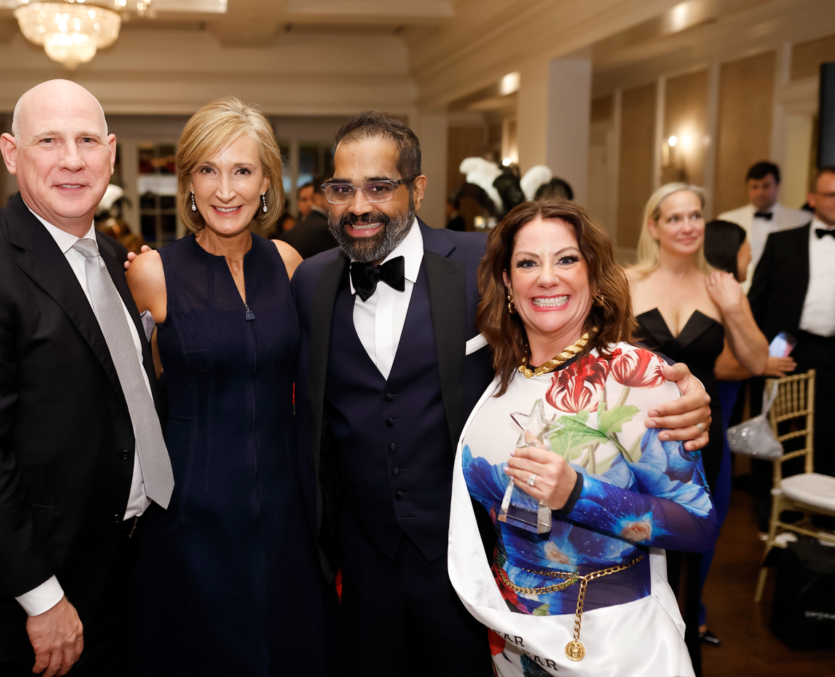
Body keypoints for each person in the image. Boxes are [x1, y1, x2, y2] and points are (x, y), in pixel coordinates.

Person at [289, 111, 713, 676]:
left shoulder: (484, 262)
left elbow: (577, 338)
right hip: (366, 564)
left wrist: (677, 387)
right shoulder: (312, 283)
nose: (359, 205)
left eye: (379, 186)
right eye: (342, 189)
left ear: (416, 190)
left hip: (481, 569)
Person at [0, 79, 174, 677]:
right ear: (11, 152)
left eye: (85, 141)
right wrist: (41, 595)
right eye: (49, 140)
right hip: (41, 593)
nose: (72, 160)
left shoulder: (110, 259)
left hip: (126, 564)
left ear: (110, 151)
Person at [447, 198, 718, 677]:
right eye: (527, 263)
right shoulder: (498, 373)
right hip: (511, 640)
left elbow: (698, 526)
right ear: (508, 283)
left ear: (593, 272)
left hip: (608, 645)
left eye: (566, 259)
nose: (546, 277)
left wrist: (579, 494)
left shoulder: (634, 376)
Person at [125, 97, 326, 675]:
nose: (225, 189)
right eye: (208, 170)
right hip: (192, 512)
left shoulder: (288, 262)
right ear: (188, 181)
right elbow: (127, 394)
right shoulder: (151, 272)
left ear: (267, 180)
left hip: (286, 506)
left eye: (242, 170)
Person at [627, 183, 768, 674]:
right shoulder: (629, 282)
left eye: (695, 216)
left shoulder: (721, 287)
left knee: (692, 556)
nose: (687, 226)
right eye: (674, 218)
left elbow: (755, 361)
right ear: (654, 227)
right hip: (638, 442)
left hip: (700, 440)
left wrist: (733, 306)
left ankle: (683, 657)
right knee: (636, 549)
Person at [700, 219, 794, 647]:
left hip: (721, 419)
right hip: (707, 426)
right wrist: (763, 364)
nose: (751, 254)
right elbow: (717, 364)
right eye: (745, 248)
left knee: (711, 521)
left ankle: (692, 610)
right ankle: (691, 616)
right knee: (707, 520)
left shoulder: (729, 294)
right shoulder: (715, 296)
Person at [749, 167, 835, 479]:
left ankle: (817, 504)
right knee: (771, 420)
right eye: (830, 195)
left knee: (826, 428)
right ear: (812, 198)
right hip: (785, 342)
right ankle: (765, 503)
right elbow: (756, 302)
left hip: (831, 348)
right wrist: (757, 351)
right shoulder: (782, 242)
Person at [716, 161, 811, 279]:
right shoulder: (727, 219)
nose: (760, 192)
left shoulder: (802, 219)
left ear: (778, 186)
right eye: (754, 187)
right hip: (741, 286)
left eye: (766, 186)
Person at [282, 177, 338, 259]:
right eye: (304, 199)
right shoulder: (325, 227)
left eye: (312, 199)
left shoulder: (290, 234)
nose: (309, 203)